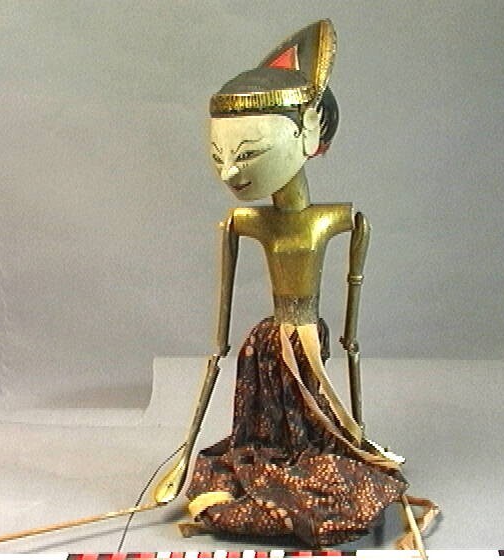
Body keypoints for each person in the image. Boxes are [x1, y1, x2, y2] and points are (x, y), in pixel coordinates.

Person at [153, 20, 411, 548]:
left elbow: (351, 336)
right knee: (267, 438)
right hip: (267, 352)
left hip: (308, 344)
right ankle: (278, 466)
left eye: (247, 154)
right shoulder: (242, 223)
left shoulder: (337, 220)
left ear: (310, 132)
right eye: (220, 156)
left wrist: (356, 428)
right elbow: (219, 339)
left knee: (318, 428)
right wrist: (197, 413)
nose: (230, 173)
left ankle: (330, 457)